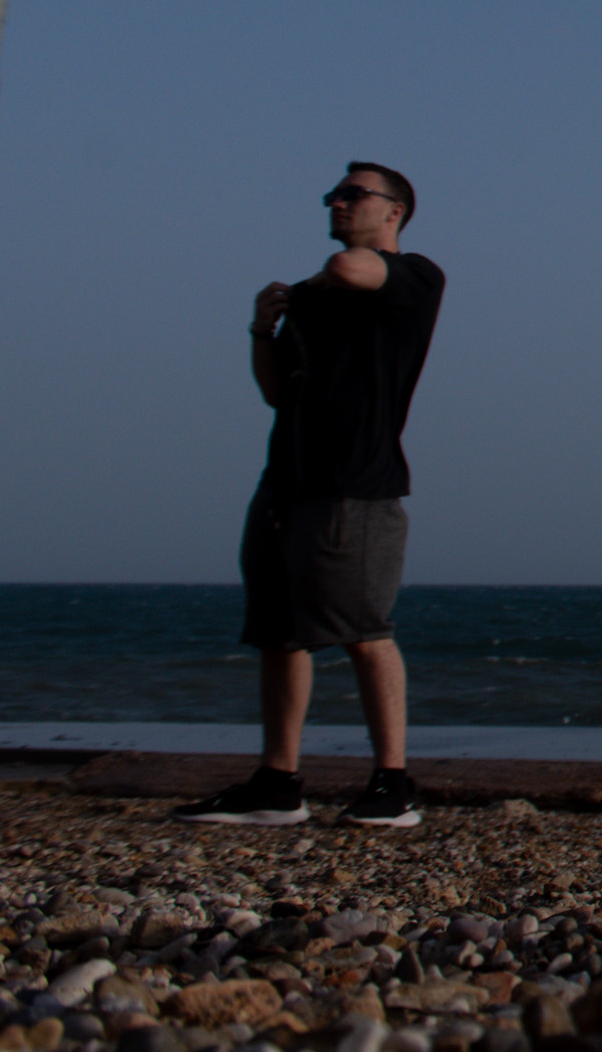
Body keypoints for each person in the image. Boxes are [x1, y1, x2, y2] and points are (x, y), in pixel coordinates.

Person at [175, 164, 447, 828]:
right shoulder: (311, 297)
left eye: (355, 194)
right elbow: (277, 391)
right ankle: (277, 782)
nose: (338, 201)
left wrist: (323, 275)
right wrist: (260, 332)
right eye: (335, 194)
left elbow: (355, 270)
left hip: (356, 487)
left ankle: (394, 783)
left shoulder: (412, 276)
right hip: (286, 484)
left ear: (395, 211)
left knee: (365, 631)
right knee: (278, 634)